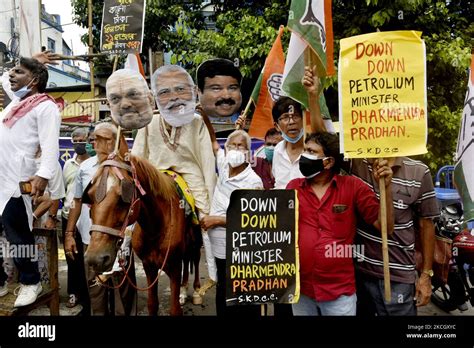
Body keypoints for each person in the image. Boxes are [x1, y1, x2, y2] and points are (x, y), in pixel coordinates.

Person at [132, 65, 218, 303]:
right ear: (157, 96)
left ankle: (210, 275)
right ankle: (118, 257)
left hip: (191, 178)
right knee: (130, 220)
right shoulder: (148, 123)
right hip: (156, 179)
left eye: (180, 89)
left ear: (191, 92)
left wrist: (209, 204)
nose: (173, 97)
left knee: (205, 224)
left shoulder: (197, 121)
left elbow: (207, 164)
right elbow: (137, 159)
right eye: (166, 92)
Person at [287, 132, 394, 316]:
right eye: (305, 150)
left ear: (328, 162)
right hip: (301, 290)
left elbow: (385, 226)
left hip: (339, 293)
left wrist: (386, 188)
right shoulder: (293, 187)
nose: (304, 155)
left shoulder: (353, 187)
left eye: (311, 151)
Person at [0, 51, 60, 307]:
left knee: (18, 237)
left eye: (19, 71)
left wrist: (43, 175)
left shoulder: (46, 106)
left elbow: (50, 146)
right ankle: (1, 282)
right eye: (13, 70)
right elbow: (4, 79)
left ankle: (30, 281)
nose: (11, 74)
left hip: (16, 180)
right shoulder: (16, 101)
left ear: (34, 80)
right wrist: (35, 57)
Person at [65, 123, 137, 316]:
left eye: (101, 138)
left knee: (123, 292)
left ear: (113, 142)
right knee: (96, 292)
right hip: (92, 240)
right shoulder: (86, 167)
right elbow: (77, 201)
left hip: (119, 240)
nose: (94, 142)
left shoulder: (128, 169)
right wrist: (69, 233)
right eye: (93, 138)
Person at [352, 157, 438, 315]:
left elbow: (426, 225)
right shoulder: (356, 162)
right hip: (360, 273)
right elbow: (324, 141)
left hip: (398, 278)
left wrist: (426, 275)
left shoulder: (418, 171)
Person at [200, 130, 263, 316]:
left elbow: (255, 221)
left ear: (248, 151)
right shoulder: (223, 164)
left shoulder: (254, 181)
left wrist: (217, 220)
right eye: (232, 145)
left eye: (240, 145)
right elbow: (213, 142)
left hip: (242, 251)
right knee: (223, 291)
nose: (235, 148)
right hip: (220, 249)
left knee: (243, 295)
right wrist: (203, 114)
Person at [61, 127, 91, 310]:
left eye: (83, 139)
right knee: (72, 257)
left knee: (88, 259)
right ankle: (73, 293)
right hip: (68, 217)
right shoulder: (68, 164)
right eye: (76, 140)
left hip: (88, 219)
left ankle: (89, 295)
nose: (79, 143)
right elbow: (65, 191)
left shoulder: (94, 165)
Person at [196, 58, 243, 136]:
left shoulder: (255, 126)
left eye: (232, 88)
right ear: (198, 92)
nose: (226, 96)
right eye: (216, 88)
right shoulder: (184, 126)